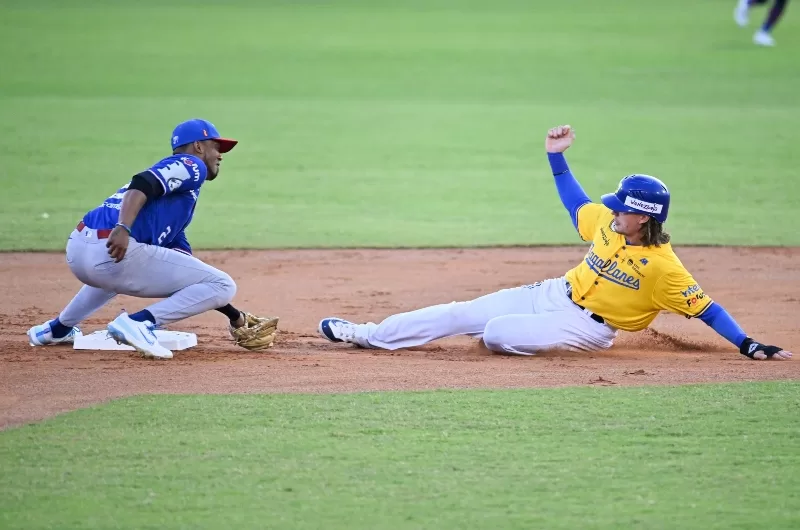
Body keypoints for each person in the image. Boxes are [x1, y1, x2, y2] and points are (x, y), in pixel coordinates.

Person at [317, 125, 792, 361]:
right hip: (554, 293)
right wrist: (555, 158)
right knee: (461, 312)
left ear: (643, 216)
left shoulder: (665, 269)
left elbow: (707, 309)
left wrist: (749, 346)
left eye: (622, 205)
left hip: (591, 330)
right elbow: (575, 205)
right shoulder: (609, 222)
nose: (613, 209)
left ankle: (504, 331)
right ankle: (368, 334)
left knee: (498, 332)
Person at [27, 119, 279, 359]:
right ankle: (138, 324)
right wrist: (123, 227)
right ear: (198, 147)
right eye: (216, 147)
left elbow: (189, 278)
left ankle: (56, 330)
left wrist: (234, 315)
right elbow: (142, 182)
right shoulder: (192, 165)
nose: (220, 155)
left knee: (124, 272)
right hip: (112, 248)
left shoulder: (177, 202)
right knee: (225, 284)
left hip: (81, 250)